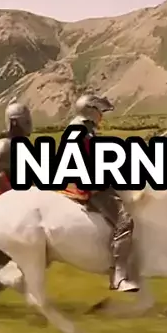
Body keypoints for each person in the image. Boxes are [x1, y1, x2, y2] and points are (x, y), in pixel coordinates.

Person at [64, 93, 140, 293]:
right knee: (125, 221)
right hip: (92, 187)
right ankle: (119, 277)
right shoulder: (80, 131)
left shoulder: (84, 130)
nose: (102, 116)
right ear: (91, 111)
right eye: (100, 111)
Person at [0, 100, 33, 194]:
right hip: (13, 197)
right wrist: (11, 192)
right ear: (14, 122)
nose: (28, 124)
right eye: (25, 121)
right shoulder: (4, 145)